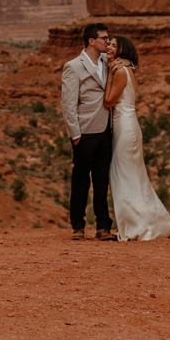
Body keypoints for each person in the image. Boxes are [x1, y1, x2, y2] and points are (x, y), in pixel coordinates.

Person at [104, 35, 170, 241]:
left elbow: (109, 101)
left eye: (113, 45)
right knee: (132, 175)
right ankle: (144, 222)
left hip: (125, 126)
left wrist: (110, 75)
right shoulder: (127, 68)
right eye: (108, 43)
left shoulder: (119, 71)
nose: (109, 46)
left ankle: (136, 226)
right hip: (127, 125)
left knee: (125, 174)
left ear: (122, 50)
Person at [61, 23, 116, 242]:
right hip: (84, 132)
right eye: (104, 38)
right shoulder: (73, 66)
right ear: (91, 41)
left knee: (102, 181)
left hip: (105, 130)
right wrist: (75, 134)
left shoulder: (107, 62)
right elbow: (68, 103)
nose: (108, 41)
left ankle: (103, 227)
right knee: (81, 180)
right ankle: (78, 226)